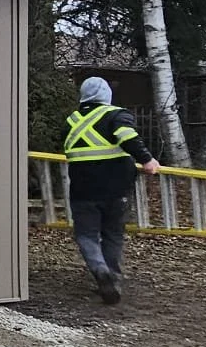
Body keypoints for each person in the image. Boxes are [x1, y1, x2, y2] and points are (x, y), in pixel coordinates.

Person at [62, 76, 160, 304]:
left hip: (83, 190)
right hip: (117, 189)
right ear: (107, 96)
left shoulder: (72, 121)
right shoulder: (116, 115)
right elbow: (128, 137)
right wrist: (147, 160)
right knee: (113, 234)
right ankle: (112, 277)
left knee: (87, 235)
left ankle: (99, 270)